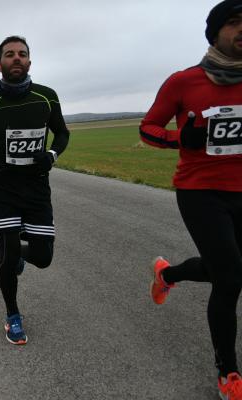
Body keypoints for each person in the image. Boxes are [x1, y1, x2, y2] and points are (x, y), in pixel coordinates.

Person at [140, 1, 242, 397]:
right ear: (215, 32)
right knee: (231, 276)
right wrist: (182, 138)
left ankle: (168, 274)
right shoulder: (185, 81)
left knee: (228, 269)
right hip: (200, 192)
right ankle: (228, 373)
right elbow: (148, 128)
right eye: (234, 23)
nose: (241, 30)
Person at [0, 36, 70, 345]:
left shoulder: (46, 97)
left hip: (37, 187)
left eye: (22, 54)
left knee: (43, 257)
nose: (17, 58)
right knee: (7, 255)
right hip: (4, 189)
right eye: (10, 55)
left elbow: (62, 134)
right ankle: (12, 315)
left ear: (30, 62)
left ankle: (21, 258)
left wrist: (51, 155)